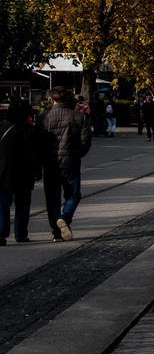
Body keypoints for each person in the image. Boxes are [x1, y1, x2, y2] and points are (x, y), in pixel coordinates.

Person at [39, 86, 92, 241]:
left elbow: (38, 142)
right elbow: (86, 140)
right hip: (71, 162)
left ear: (51, 99)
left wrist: (41, 159)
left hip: (51, 163)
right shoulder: (79, 117)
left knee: (52, 198)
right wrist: (78, 153)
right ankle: (65, 217)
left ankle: (57, 233)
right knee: (73, 194)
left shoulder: (44, 117)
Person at [0, 96, 47, 244]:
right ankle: (20, 234)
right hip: (24, 173)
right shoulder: (30, 131)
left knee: (3, 203)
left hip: (2, 172)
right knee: (22, 205)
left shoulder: (1, 128)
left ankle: (1, 233)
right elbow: (36, 155)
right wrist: (38, 171)